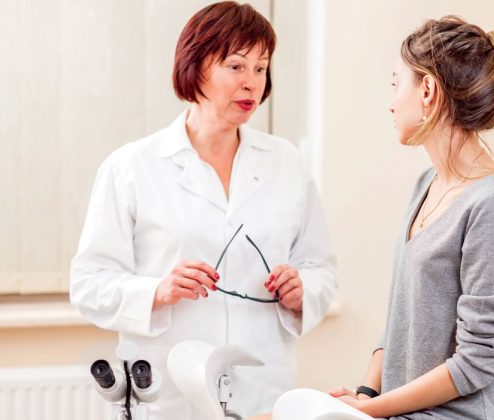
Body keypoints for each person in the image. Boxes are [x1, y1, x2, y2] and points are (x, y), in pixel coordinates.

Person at [251, 15, 494, 420]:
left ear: (428, 91)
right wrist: (365, 394)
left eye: (397, 84)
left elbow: (476, 362)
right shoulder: (427, 184)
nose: (391, 102)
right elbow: (402, 319)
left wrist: (368, 411)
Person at [70, 2, 337, 419]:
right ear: (195, 67)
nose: (251, 82)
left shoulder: (288, 165)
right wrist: (157, 291)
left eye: (261, 68)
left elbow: (321, 268)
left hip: (264, 391)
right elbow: (89, 284)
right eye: (236, 66)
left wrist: (303, 291)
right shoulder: (132, 167)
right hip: (174, 395)